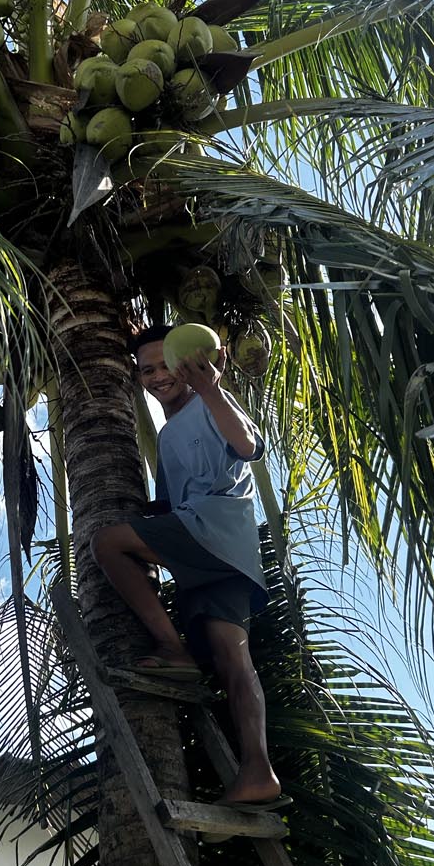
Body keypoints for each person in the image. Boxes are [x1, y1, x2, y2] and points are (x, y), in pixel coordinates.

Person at [91, 324, 282, 807]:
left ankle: (170, 648)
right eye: (147, 369)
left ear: (193, 362)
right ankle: (258, 771)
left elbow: (247, 447)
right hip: (231, 556)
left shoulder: (210, 404)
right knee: (233, 660)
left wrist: (212, 389)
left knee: (109, 544)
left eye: (167, 365)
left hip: (211, 531)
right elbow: (174, 503)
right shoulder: (171, 433)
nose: (158, 377)